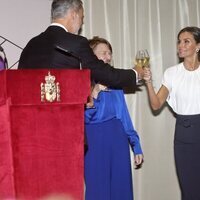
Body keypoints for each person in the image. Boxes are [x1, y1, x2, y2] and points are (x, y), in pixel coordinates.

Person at [18, 0, 144, 89]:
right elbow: (105, 74)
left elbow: (20, 84)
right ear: (74, 15)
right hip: (63, 118)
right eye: (82, 18)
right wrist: (135, 73)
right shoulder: (77, 43)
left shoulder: (31, 44)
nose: (82, 23)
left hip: (31, 120)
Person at [143, 26, 200, 200]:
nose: (180, 45)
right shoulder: (172, 73)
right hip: (184, 135)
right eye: (179, 41)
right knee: (190, 189)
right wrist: (149, 83)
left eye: (186, 41)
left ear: (198, 46)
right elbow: (156, 104)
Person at [84, 36, 143, 200]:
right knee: (98, 190)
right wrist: (94, 93)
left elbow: (123, 115)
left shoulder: (115, 83)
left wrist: (135, 144)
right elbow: (85, 118)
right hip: (94, 142)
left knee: (121, 189)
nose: (108, 57)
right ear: (91, 56)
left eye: (109, 53)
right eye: (103, 53)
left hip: (118, 139)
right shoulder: (81, 82)